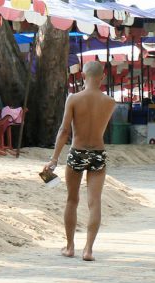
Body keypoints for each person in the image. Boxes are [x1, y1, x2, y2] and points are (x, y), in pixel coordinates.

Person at [43, 61, 116, 261]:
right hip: (98, 153)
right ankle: (89, 250)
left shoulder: (73, 99)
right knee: (95, 202)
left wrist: (54, 159)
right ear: (102, 77)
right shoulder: (110, 102)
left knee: (72, 200)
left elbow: (64, 130)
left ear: (83, 76)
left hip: (77, 152)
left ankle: (69, 247)